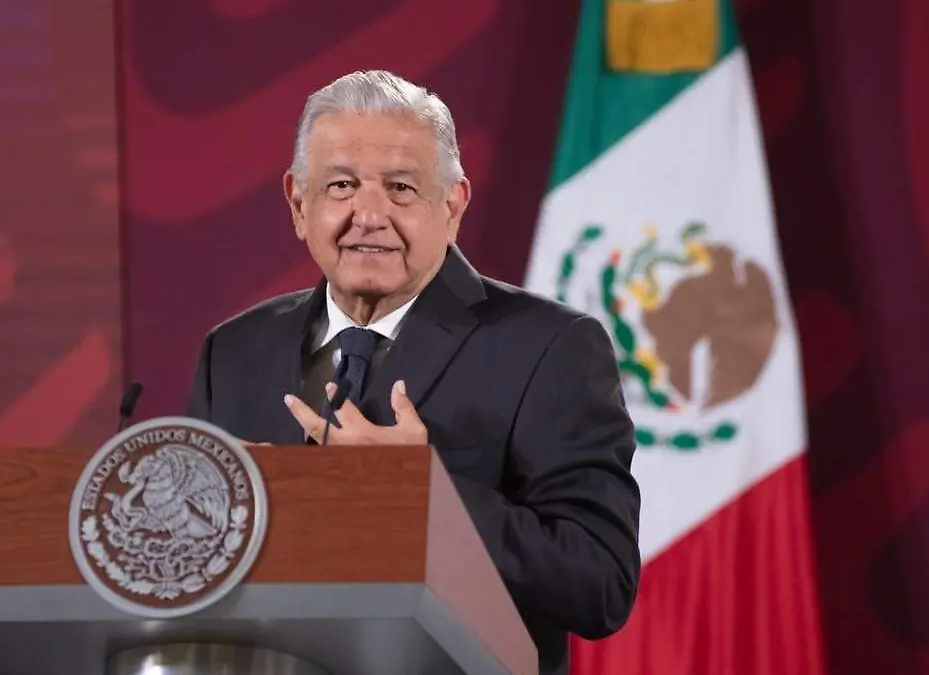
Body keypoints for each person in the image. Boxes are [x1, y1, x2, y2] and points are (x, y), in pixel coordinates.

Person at [186, 69, 641, 674]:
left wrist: (421, 496)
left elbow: (598, 582)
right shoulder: (234, 351)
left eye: (401, 188)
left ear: (452, 206)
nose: (369, 214)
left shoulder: (551, 347)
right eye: (342, 185)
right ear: (298, 203)